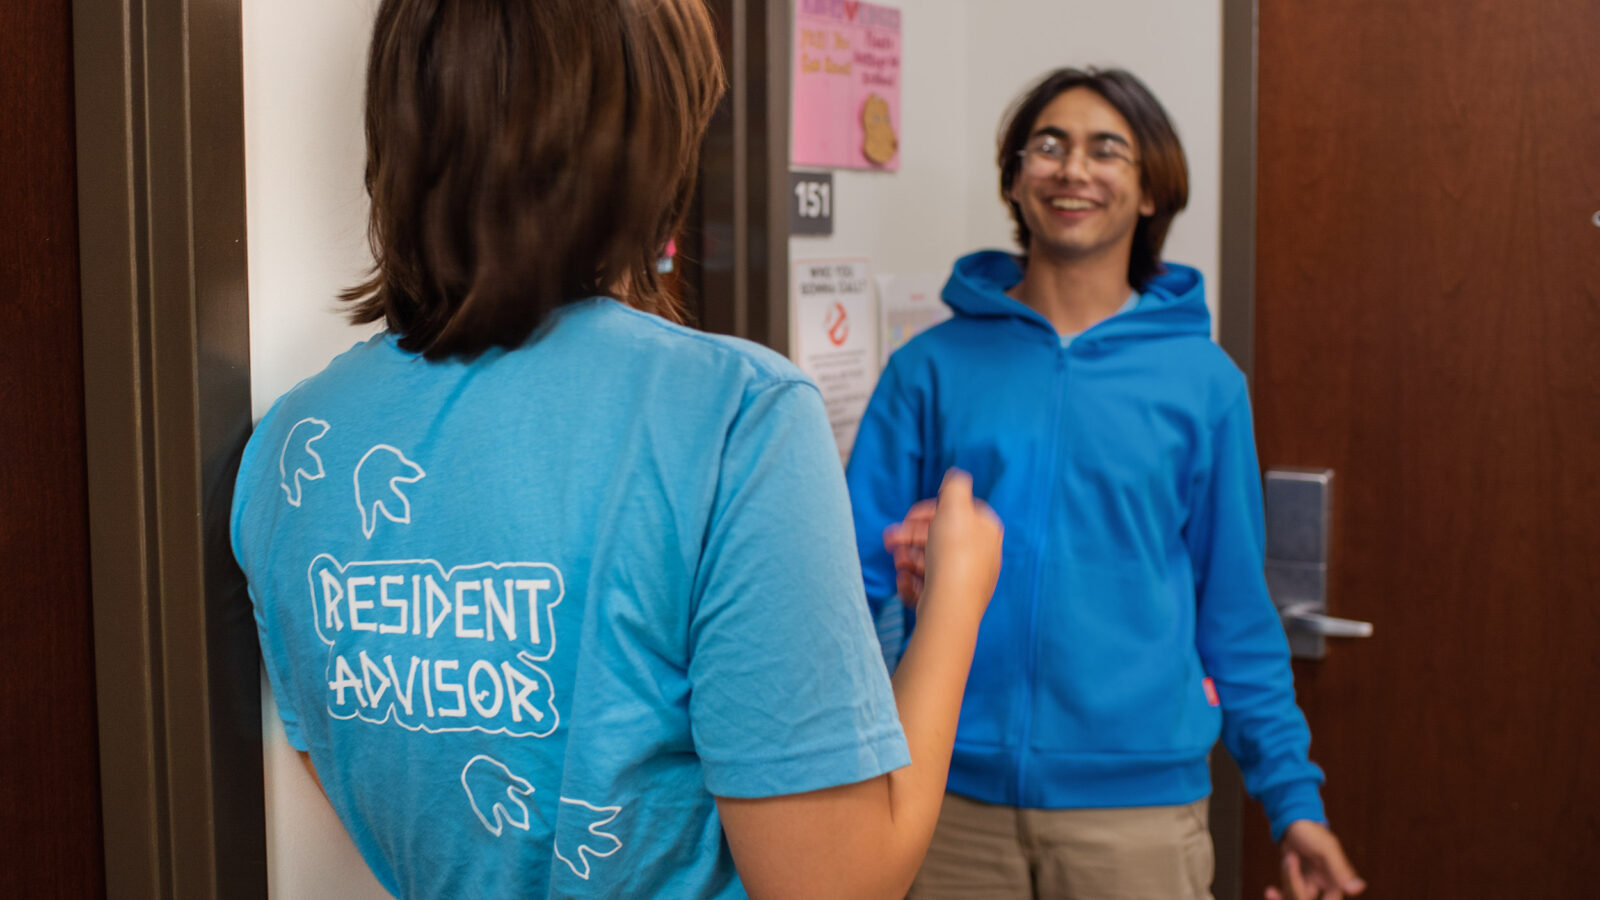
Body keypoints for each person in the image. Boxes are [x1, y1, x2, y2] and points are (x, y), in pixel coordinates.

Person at [230, 1, 1003, 897]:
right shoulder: (736, 417)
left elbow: (385, 791)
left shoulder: (290, 448)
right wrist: (953, 601)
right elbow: (838, 883)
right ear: (648, 138)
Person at [845, 67, 1366, 899]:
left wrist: (1291, 800)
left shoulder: (1204, 384)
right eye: (1047, 146)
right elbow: (850, 586)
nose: (1071, 169)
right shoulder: (929, 370)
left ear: (1151, 187)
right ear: (1016, 180)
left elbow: (1235, 611)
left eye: (1105, 149)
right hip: (942, 800)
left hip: (1139, 818)